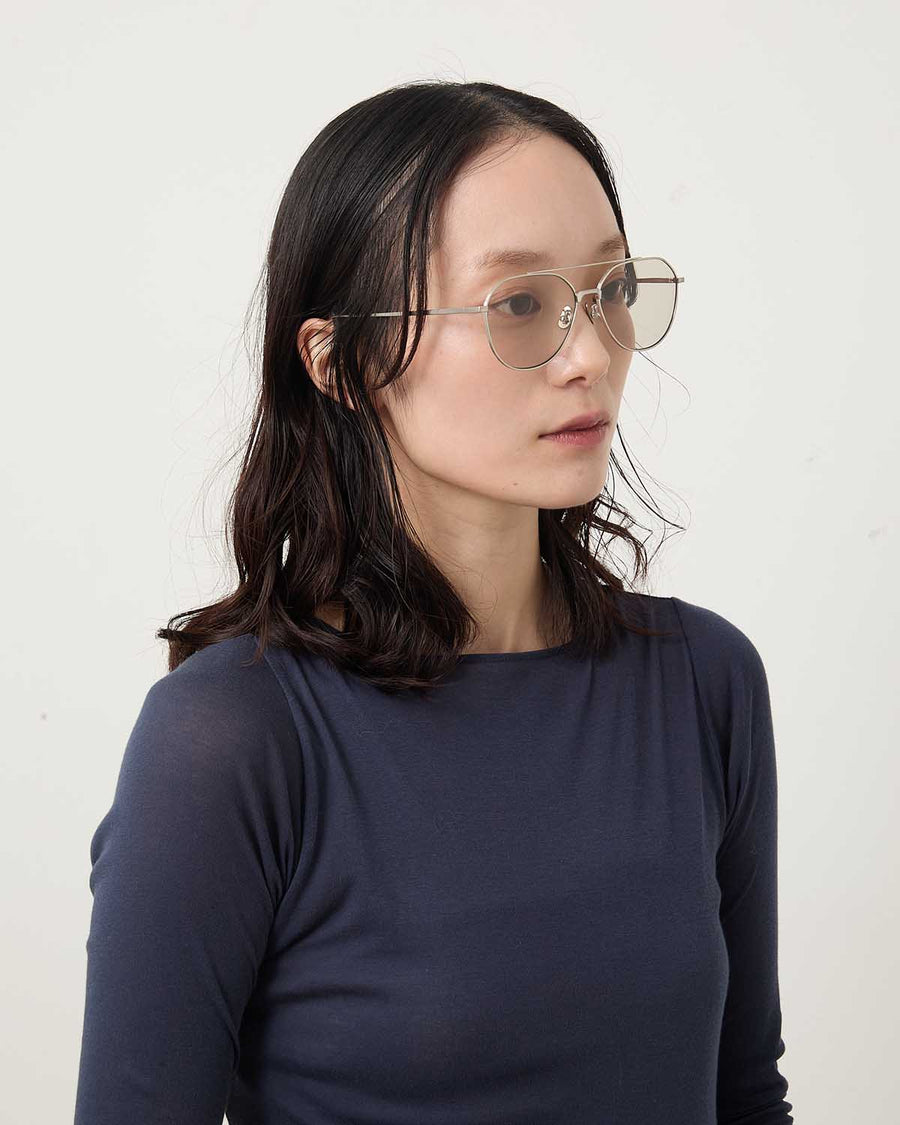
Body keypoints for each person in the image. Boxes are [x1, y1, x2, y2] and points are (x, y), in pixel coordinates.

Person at [73, 79, 794, 1124]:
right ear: (342, 361)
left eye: (609, 289)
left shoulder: (703, 683)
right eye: (519, 304)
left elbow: (745, 1097)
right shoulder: (235, 738)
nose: (592, 354)